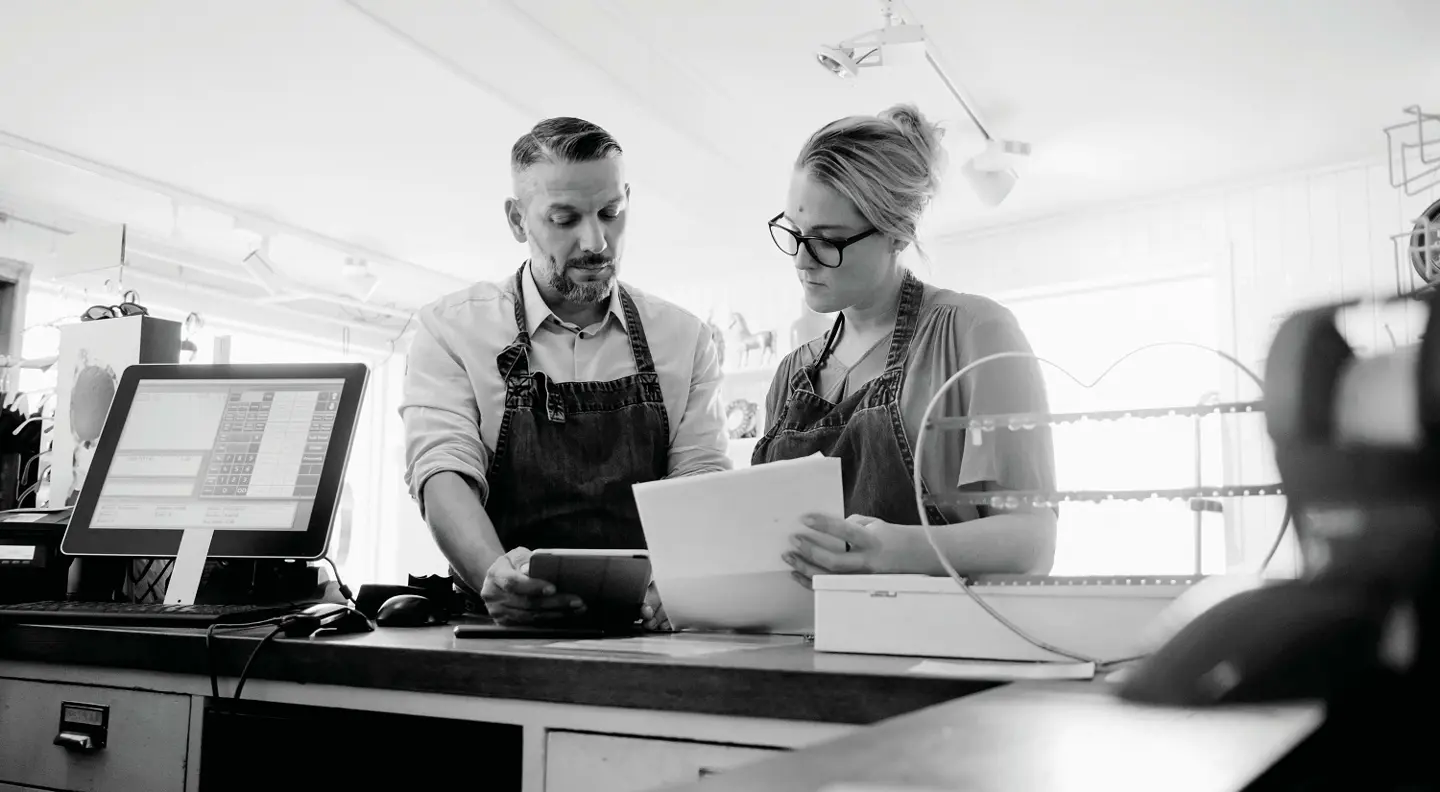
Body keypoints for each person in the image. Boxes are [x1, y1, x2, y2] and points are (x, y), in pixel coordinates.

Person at [401, 117, 730, 626]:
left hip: (646, 626)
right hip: (497, 629)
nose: (596, 241)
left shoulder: (685, 339)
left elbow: (699, 474)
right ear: (517, 220)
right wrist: (495, 575)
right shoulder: (450, 330)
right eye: (565, 219)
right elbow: (443, 470)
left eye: (610, 213)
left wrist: (682, 579)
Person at [756, 104, 1058, 587]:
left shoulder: (974, 333)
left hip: (937, 648)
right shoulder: (793, 374)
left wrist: (895, 550)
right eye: (793, 231)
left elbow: (1032, 541)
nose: (801, 261)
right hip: (805, 647)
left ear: (898, 234)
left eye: (828, 241)